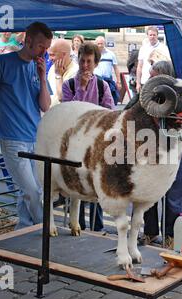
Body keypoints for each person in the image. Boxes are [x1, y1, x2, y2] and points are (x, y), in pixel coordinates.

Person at [0, 22, 53, 230]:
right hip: (12, 138)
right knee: (31, 191)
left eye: (47, 47)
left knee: (33, 190)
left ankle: (24, 230)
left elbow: (45, 105)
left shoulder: (38, 66)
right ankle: (46, 230)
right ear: (29, 41)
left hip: (35, 136)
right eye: (42, 46)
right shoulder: (1, 63)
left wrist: (43, 78)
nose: (44, 52)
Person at [62, 42, 115, 232]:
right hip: (75, 145)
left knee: (95, 186)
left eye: (89, 62)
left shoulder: (102, 86)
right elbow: (69, 112)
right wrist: (82, 89)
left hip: (95, 145)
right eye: (82, 61)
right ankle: (77, 224)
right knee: (76, 184)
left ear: (95, 63)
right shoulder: (69, 84)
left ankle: (96, 227)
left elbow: (109, 113)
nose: (85, 65)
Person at [135, 60, 182, 249]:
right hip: (151, 153)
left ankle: (170, 238)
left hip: (174, 154)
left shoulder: (180, 99)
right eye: (149, 76)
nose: (149, 80)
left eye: (153, 76)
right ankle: (149, 233)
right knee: (148, 194)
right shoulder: (146, 97)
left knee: (173, 198)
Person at [136, 26, 170, 92]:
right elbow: (139, 67)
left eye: (154, 35)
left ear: (157, 35)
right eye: (150, 35)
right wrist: (138, 83)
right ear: (147, 36)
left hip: (159, 82)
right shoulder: (143, 48)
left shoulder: (164, 48)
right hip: (145, 81)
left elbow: (168, 65)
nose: (152, 37)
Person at [47, 39, 78, 106]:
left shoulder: (76, 72)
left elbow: (63, 98)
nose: (50, 58)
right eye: (49, 55)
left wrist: (58, 75)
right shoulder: (52, 68)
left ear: (64, 54)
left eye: (52, 55)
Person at [94, 36, 121, 105]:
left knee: (109, 100)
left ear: (104, 44)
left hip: (107, 81)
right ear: (95, 44)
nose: (100, 45)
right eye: (98, 44)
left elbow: (116, 68)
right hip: (95, 81)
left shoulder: (111, 54)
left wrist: (118, 81)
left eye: (101, 43)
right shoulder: (92, 54)